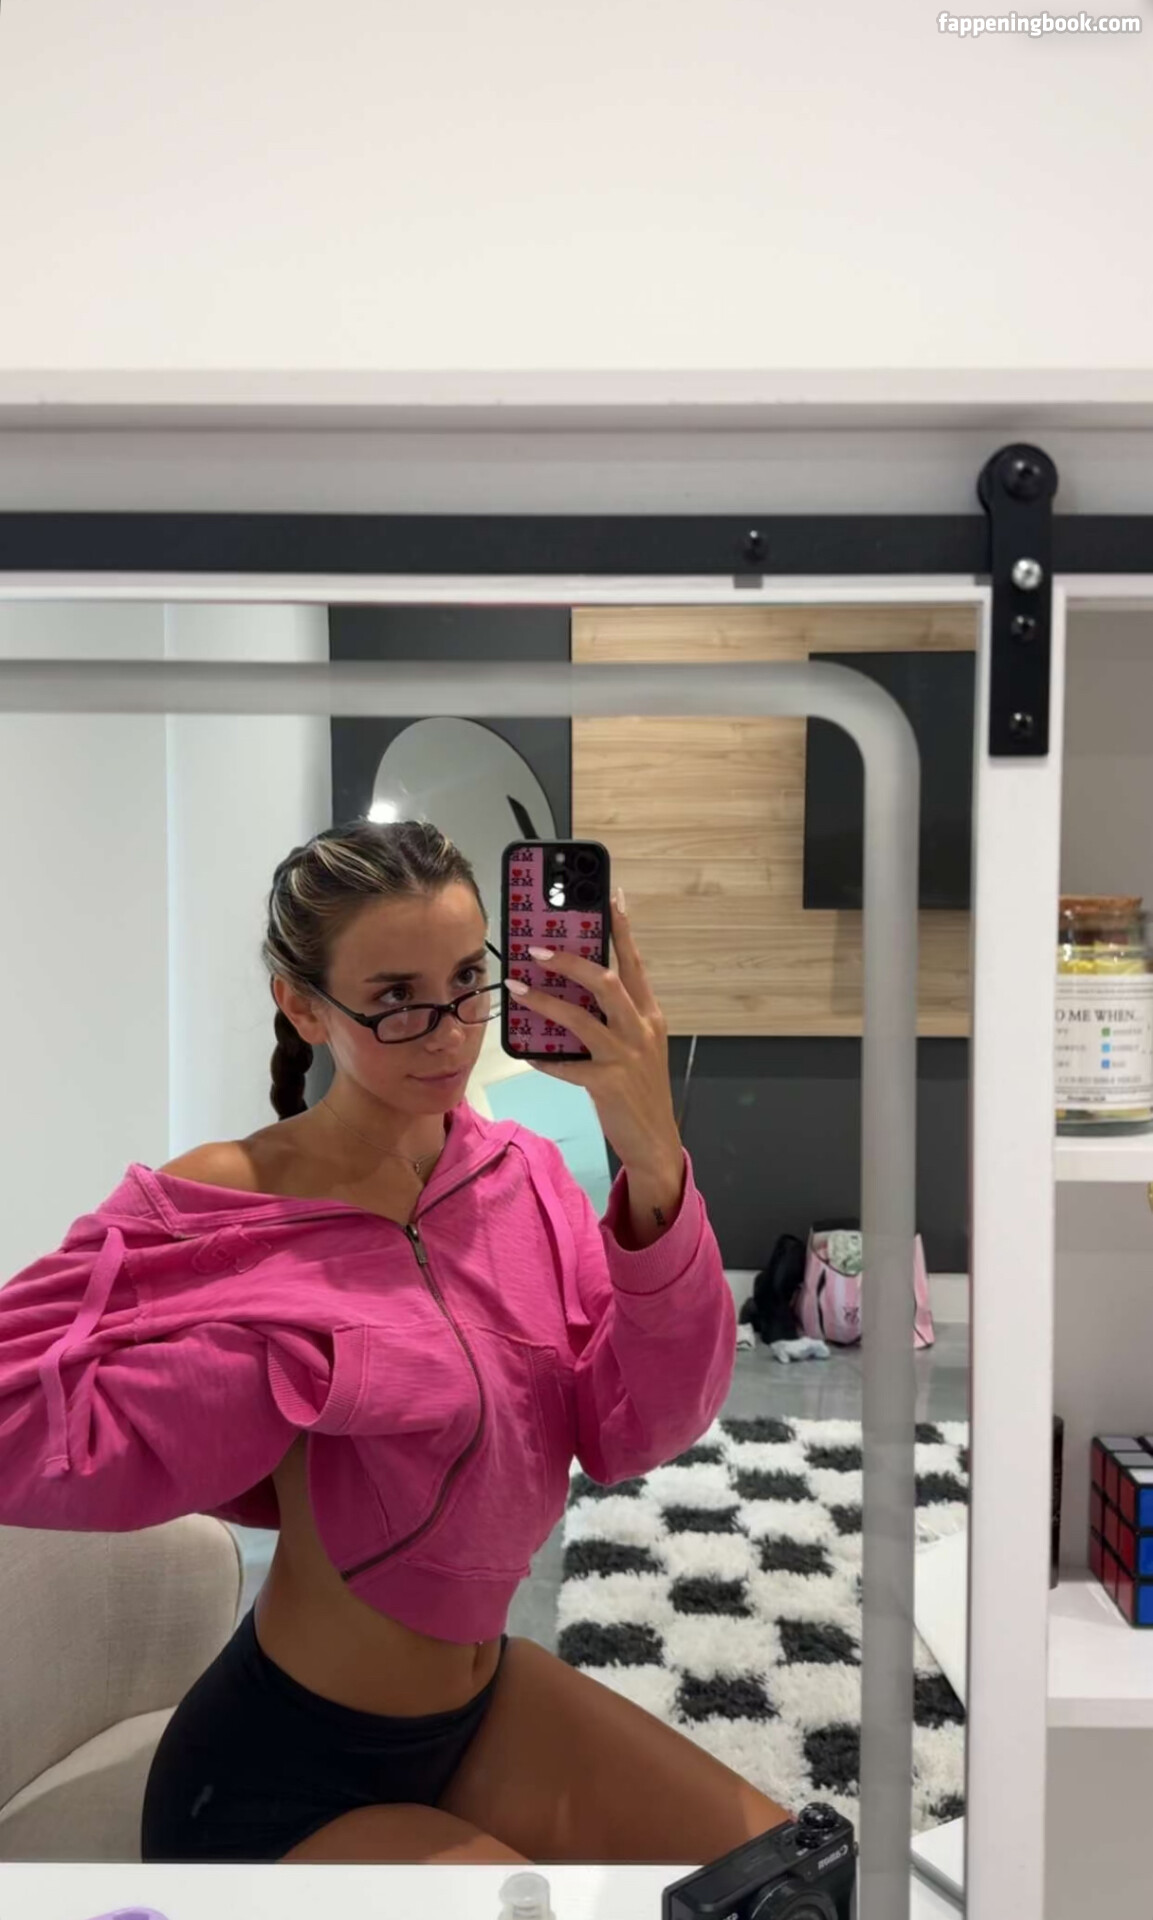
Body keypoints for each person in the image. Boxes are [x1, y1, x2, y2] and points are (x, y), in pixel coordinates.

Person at [0, 819, 791, 1868]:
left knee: (790, 1882)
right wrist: (313, 1361)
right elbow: (16, 1418)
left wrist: (653, 1161)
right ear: (303, 1006)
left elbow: (638, 1423)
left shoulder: (524, 1177)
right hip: (278, 1775)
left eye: (467, 980)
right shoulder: (221, 1200)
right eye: (395, 998)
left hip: (479, 1711)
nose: (450, 1033)